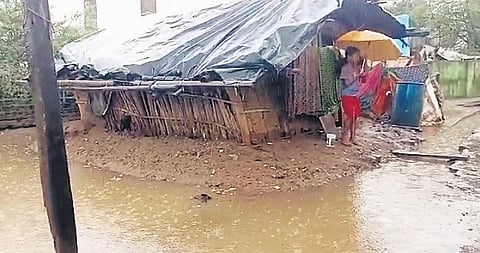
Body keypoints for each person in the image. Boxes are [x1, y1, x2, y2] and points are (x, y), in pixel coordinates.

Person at [340, 46, 363, 146]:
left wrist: (363, 73)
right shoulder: (345, 68)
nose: (357, 58)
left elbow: (362, 80)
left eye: (358, 56)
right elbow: (346, 83)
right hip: (347, 95)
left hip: (355, 95)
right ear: (349, 57)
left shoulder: (357, 68)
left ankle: (353, 137)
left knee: (355, 117)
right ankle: (344, 137)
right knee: (349, 116)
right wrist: (357, 76)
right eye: (355, 56)